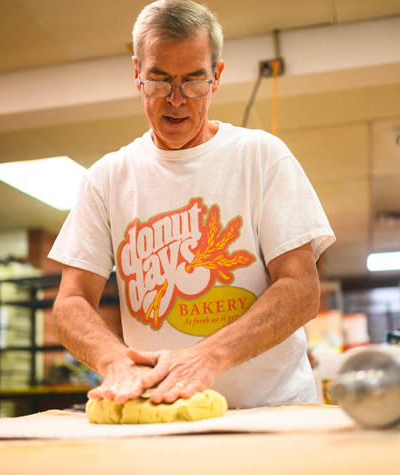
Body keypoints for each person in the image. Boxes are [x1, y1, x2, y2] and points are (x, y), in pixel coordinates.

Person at [49, 0, 335, 409]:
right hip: (166, 413)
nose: (177, 99)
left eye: (194, 80)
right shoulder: (107, 178)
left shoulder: (261, 156)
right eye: (160, 80)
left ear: (217, 76)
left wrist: (208, 356)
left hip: (274, 412)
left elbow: (301, 289)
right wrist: (116, 362)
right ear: (137, 74)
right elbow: (71, 301)